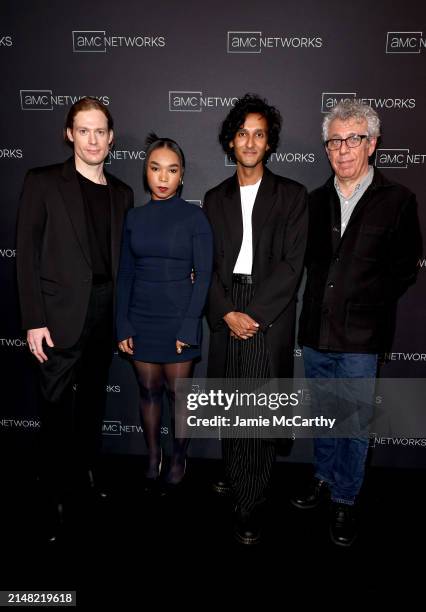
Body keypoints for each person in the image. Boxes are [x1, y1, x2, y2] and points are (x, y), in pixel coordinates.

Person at [293, 99, 422, 546]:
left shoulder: (398, 200)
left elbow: (406, 267)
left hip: (362, 338)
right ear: (326, 148)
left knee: (353, 422)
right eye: (334, 141)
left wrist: (368, 300)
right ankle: (324, 478)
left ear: (372, 144)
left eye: (354, 139)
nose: (343, 149)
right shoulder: (313, 201)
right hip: (316, 333)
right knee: (326, 417)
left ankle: (346, 499)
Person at [16, 97, 134, 540]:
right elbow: (25, 256)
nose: (92, 139)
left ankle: (86, 475)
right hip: (57, 317)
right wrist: (33, 319)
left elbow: (124, 262)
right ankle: (51, 494)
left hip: (105, 312)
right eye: (83, 130)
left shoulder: (122, 193)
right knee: (54, 410)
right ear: (70, 134)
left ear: (111, 138)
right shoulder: (43, 182)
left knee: (92, 406)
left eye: (100, 131)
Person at [204, 93, 308, 544]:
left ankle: (250, 502)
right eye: (242, 133)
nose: (250, 141)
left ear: (269, 144)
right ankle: (235, 472)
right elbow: (204, 263)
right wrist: (227, 311)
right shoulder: (213, 198)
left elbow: (292, 265)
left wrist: (254, 315)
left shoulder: (292, 195)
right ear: (231, 142)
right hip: (228, 305)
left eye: (259, 134)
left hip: (268, 309)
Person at [116, 134, 213, 490]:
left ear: (181, 175)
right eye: (155, 168)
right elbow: (125, 273)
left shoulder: (195, 218)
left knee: (179, 393)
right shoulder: (134, 218)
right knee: (148, 390)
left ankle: (179, 456)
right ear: (146, 172)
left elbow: (203, 275)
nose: (162, 177)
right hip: (141, 316)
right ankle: (153, 454)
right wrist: (122, 322)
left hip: (179, 318)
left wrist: (189, 326)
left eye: (171, 170)